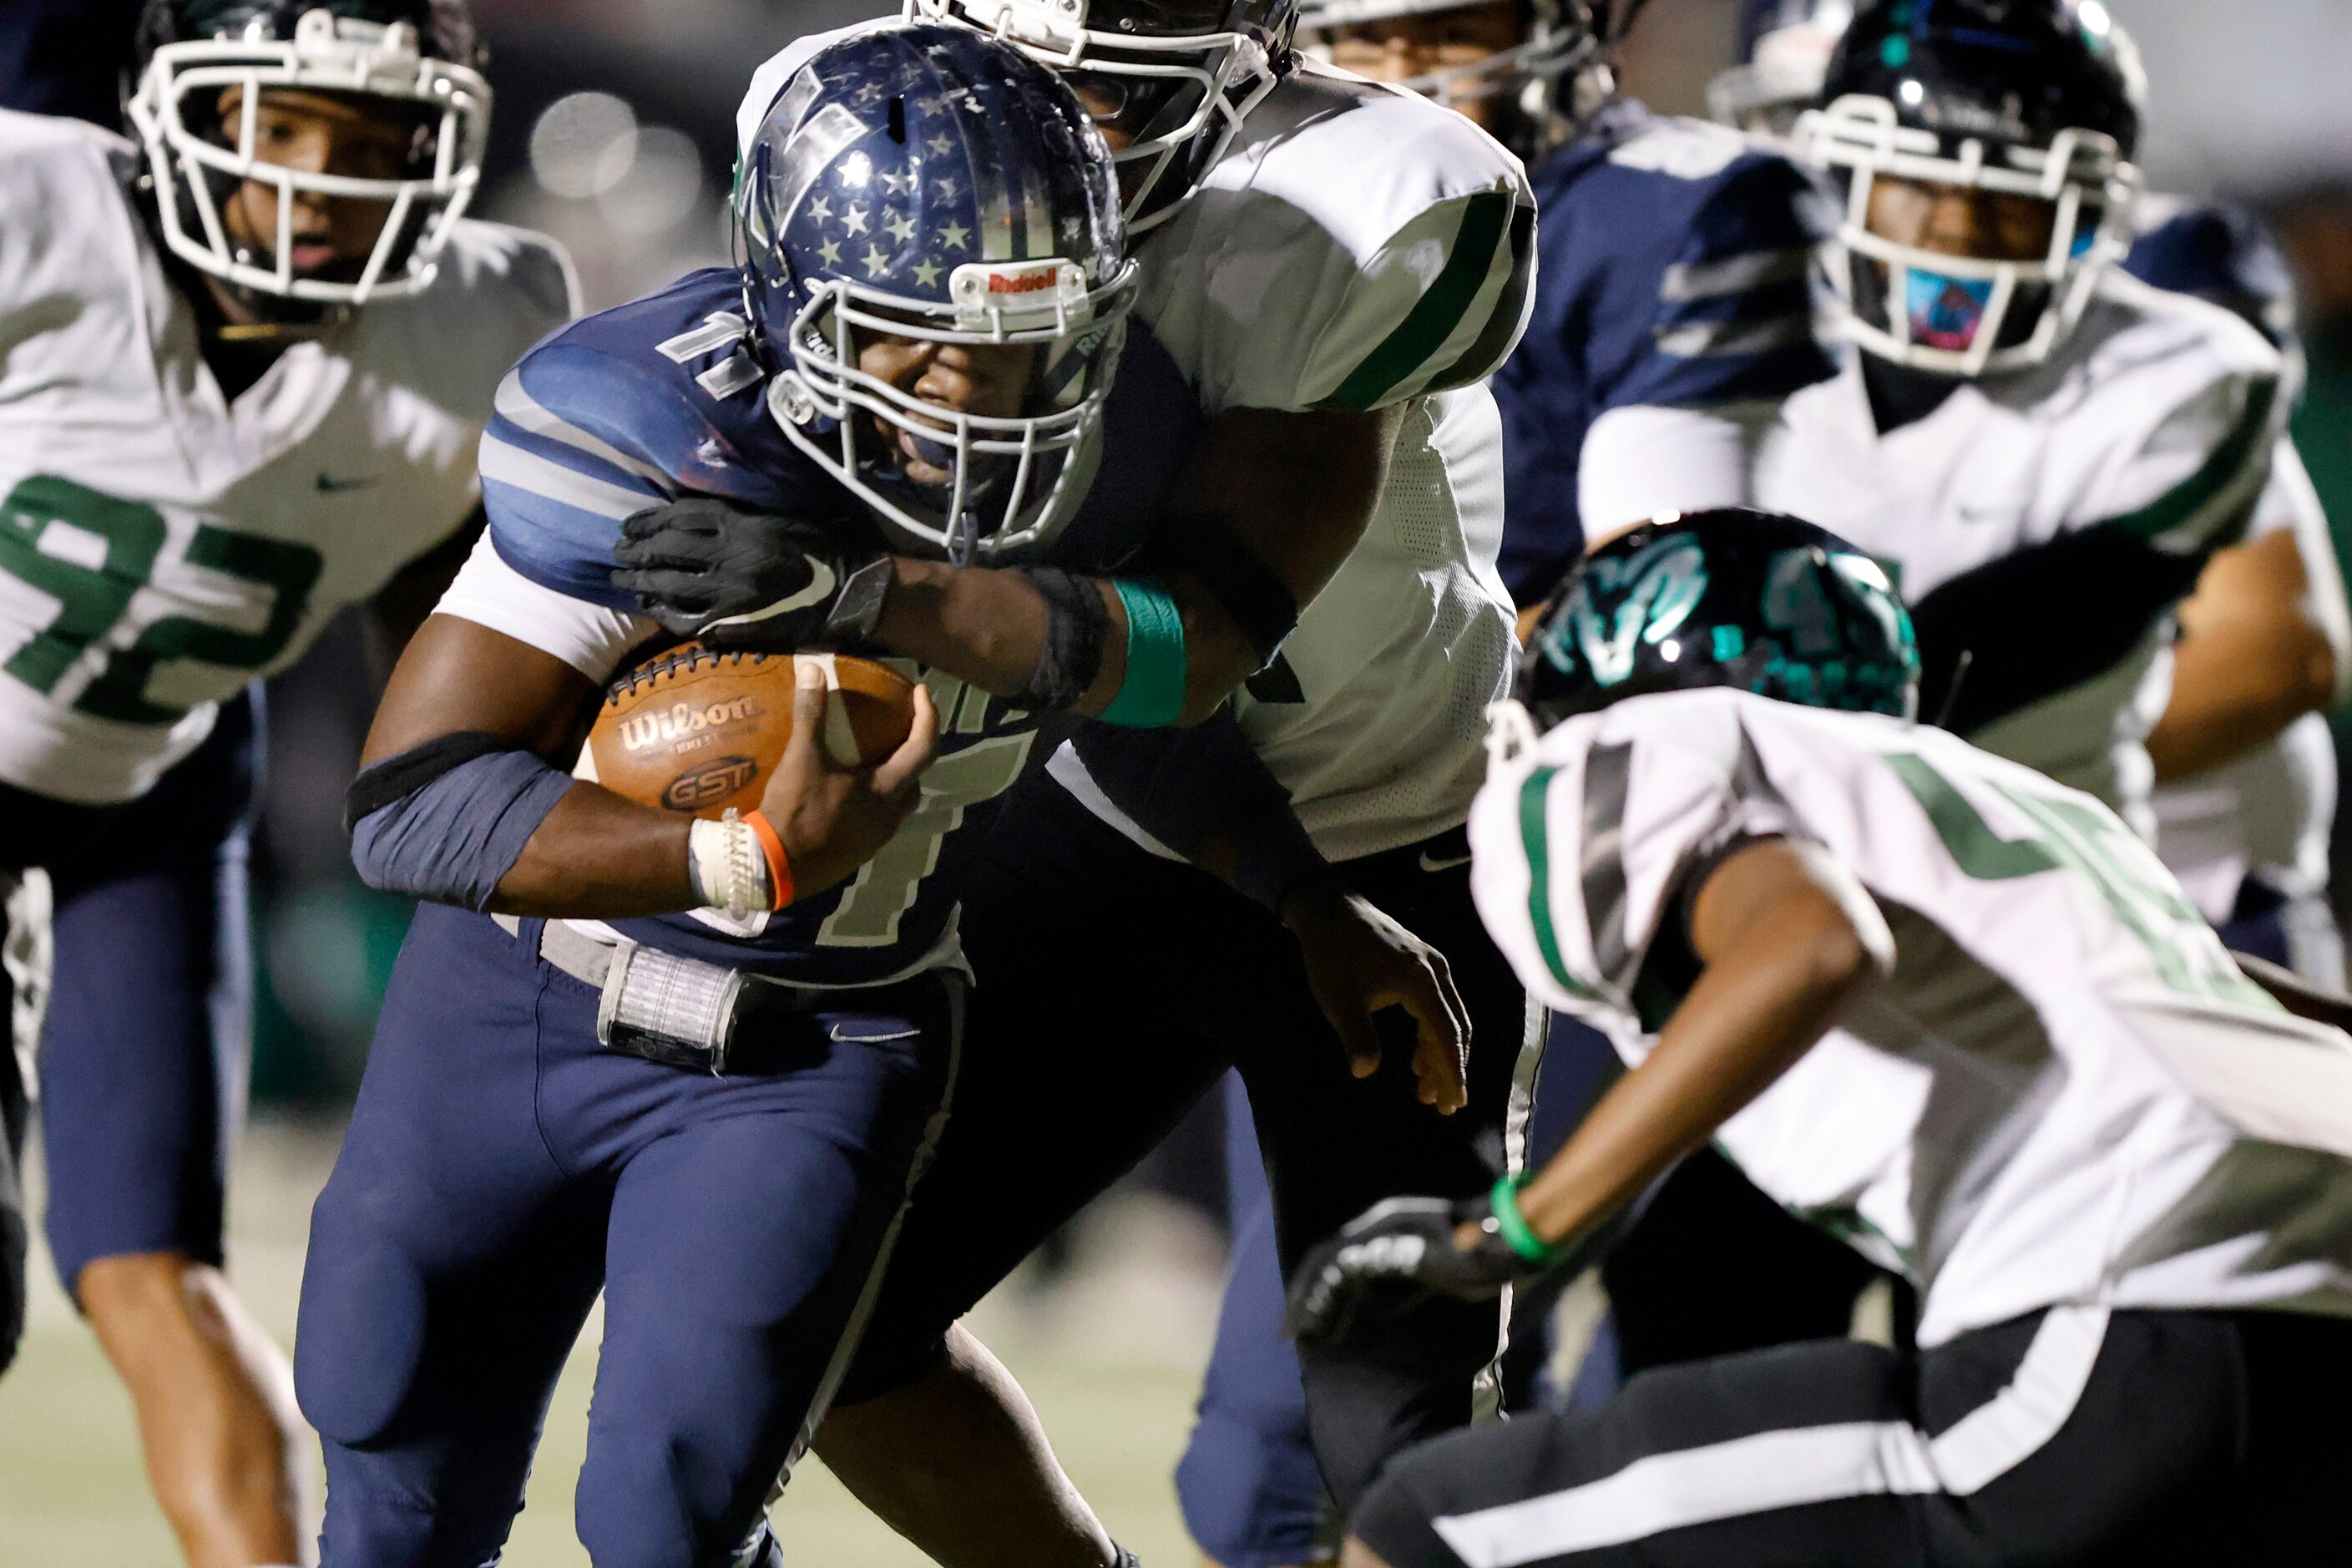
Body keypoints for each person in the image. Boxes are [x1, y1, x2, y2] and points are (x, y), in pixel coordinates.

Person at [294, 28, 1462, 1565]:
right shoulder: (657, 431)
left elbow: (1135, 700)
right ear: (790, 307)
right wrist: (730, 851)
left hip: (824, 1038)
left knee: (673, 1511)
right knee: (394, 1465)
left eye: (1025, 338)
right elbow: (416, 803)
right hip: (517, 1006)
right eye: (913, 340)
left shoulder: (1129, 443)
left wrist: (1301, 893)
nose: (972, 391)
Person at [598, 8, 1545, 1564]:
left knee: (1398, 1426)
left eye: (1123, 89)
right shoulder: (872, 125)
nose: (1076, 124)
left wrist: (858, 592)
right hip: (1088, 812)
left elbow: (1190, 644)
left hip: (1386, 840)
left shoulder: (1367, 201)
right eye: (1044, 82)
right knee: (821, 1314)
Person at [1293, 508, 2352, 1568]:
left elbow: (1811, 944)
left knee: (1429, 1529)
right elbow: (2270, 1012)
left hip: (2120, 1328)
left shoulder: (1625, 752)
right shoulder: (2027, 803)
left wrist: (1515, 1234)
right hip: (2306, 1321)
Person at [1159, 3, 1869, 1562]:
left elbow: (1657, 600)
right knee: (1266, 1450)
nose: (1399, 72)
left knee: (1602, 1387)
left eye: (1445, 28)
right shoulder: (1237, 186)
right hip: (1303, 816)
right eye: (1359, 32)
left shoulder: (1687, 201)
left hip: (1597, 843)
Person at [0, 3, 574, 1564]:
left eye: (376, 138)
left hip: (151, 786)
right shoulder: (37, 208)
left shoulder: (477, 324)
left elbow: (465, 663)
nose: (323, 182)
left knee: (156, 1259)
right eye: (283, 128)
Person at [1709, 0, 2352, 987]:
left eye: (1997, 182)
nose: (1953, 222)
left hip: (2163, 889)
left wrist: (1898, 791)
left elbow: (2278, 654)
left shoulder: (2174, 349)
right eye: (1909, 169)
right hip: (1825, 880)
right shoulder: (1711, 320)